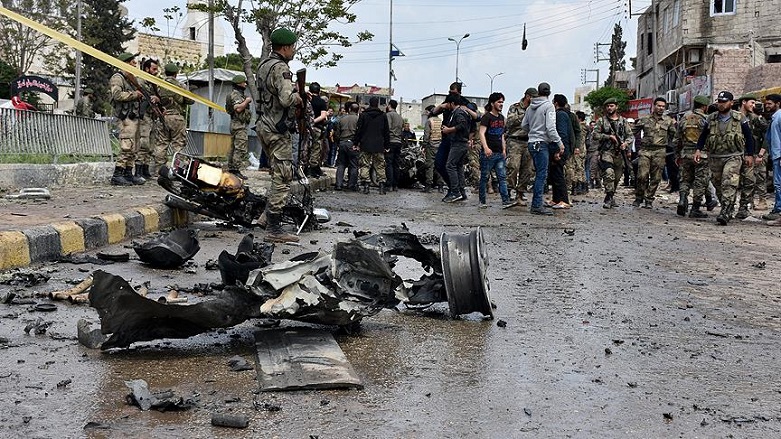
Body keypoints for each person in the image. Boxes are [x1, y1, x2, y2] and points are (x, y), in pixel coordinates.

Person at [256, 28, 302, 243]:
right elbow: (286, 99)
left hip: (264, 126)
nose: (293, 51)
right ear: (285, 47)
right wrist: (298, 98)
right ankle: (274, 229)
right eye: (292, 47)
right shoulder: (281, 67)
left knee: (276, 173)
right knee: (283, 177)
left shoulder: (263, 65)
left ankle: (265, 217)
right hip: (277, 128)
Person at [694, 91, 755, 225]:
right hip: (715, 157)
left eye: (724, 102)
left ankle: (725, 212)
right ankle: (728, 206)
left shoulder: (740, 118)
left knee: (729, 183)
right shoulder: (711, 118)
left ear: (731, 103)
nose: (721, 104)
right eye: (719, 102)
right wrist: (698, 150)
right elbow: (703, 135)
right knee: (718, 184)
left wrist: (750, 155)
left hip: (733, 156)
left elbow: (749, 138)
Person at [521, 82, 564, 215]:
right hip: (541, 144)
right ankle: (536, 205)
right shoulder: (548, 106)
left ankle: (536, 203)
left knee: (539, 174)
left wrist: (533, 132)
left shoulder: (530, 107)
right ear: (549, 93)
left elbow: (524, 125)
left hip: (532, 143)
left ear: (538, 92)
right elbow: (551, 128)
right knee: (541, 175)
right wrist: (559, 143)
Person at [632, 97, 677, 209]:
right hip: (645, 150)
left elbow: (675, 136)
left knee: (656, 178)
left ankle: (649, 199)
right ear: (654, 106)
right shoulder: (645, 119)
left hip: (660, 151)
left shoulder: (668, 121)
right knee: (642, 175)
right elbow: (632, 131)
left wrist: (675, 149)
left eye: (663, 106)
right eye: (658, 105)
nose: (660, 108)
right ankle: (639, 196)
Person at [108, 52, 146, 186]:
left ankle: (128, 173)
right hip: (125, 118)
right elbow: (117, 95)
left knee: (134, 147)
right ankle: (117, 175)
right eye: (132, 62)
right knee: (126, 146)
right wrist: (135, 94)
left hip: (133, 116)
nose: (135, 64)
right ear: (126, 63)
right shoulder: (118, 78)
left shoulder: (130, 78)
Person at [591, 97, 633, 209]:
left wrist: (625, 144)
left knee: (617, 177)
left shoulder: (623, 121)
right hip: (606, 152)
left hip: (619, 153)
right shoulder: (601, 121)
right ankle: (609, 198)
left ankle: (610, 196)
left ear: (616, 107)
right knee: (609, 174)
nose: (609, 108)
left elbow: (630, 136)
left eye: (612, 106)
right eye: (608, 106)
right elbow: (595, 135)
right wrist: (608, 136)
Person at [477, 92, 516, 209]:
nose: (501, 104)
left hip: (499, 153)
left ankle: (505, 201)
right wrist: (486, 148)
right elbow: (481, 133)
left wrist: (504, 149)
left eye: (502, 102)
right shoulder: (486, 117)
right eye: (499, 102)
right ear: (492, 103)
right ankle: (482, 201)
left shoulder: (501, 118)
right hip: (488, 154)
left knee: (502, 178)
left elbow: (502, 135)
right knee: (484, 177)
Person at [152, 63, 193, 173]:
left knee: (161, 143)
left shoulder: (159, 85)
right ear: (176, 74)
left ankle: (159, 170)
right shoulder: (181, 86)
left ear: (165, 72)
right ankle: (178, 170)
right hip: (177, 118)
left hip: (162, 117)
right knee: (178, 145)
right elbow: (190, 100)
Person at [676, 95, 711, 218]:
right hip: (701, 154)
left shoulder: (684, 118)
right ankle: (695, 208)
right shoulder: (706, 119)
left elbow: (677, 138)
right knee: (700, 182)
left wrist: (677, 154)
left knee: (685, 179)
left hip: (685, 153)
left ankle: (682, 200)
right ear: (704, 106)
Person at [735, 94, 769, 218]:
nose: (753, 106)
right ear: (744, 102)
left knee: (753, 179)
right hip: (736, 153)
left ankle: (747, 205)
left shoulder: (755, 118)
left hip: (752, 153)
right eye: (752, 103)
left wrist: (761, 152)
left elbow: (767, 133)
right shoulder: (734, 117)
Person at [505, 88, 535, 204]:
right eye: (533, 97)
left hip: (528, 141)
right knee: (513, 166)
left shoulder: (535, 109)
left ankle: (520, 193)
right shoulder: (515, 107)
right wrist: (525, 116)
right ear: (527, 96)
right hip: (515, 141)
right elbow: (510, 122)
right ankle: (508, 191)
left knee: (527, 169)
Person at [354, 96, 390, 194]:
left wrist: (355, 143)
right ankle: (382, 186)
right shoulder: (383, 116)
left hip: (365, 144)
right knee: (380, 165)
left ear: (369, 103)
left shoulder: (363, 115)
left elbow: (359, 131)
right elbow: (386, 132)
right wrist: (387, 146)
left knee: (365, 165)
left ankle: (366, 186)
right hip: (379, 145)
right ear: (377, 104)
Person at [441, 94, 472, 203]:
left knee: (450, 165)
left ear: (452, 103)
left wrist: (449, 130)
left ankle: (455, 192)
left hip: (458, 143)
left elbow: (462, 125)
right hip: (462, 143)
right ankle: (461, 192)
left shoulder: (458, 113)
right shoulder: (462, 112)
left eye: (448, 104)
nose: (447, 106)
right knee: (458, 167)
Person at [136, 58, 160, 180]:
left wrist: (157, 99)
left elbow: (157, 97)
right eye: (153, 69)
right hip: (144, 115)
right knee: (143, 143)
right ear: (146, 69)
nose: (156, 72)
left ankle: (145, 169)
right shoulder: (141, 81)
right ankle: (138, 170)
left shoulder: (153, 83)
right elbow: (140, 97)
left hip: (152, 116)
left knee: (151, 145)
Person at [226, 74, 253, 179]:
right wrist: (247, 101)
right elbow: (238, 108)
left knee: (234, 148)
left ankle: (232, 169)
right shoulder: (236, 95)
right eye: (244, 82)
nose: (245, 84)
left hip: (235, 123)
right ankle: (235, 170)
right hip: (239, 124)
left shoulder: (232, 94)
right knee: (240, 148)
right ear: (239, 84)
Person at [762, 94, 781, 224]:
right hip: (775, 155)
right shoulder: (774, 118)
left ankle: (778, 211)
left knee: (779, 185)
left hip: (779, 155)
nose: (767, 106)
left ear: (778, 103)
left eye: (769, 103)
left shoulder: (779, 117)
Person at [551, 94, 572, 209]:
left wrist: (559, 150)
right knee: (554, 174)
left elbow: (562, 134)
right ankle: (556, 199)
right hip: (560, 148)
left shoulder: (560, 115)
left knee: (558, 175)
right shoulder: (562, 114)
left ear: (556, 103)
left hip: (561, 149)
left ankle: (564, 200)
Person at [334, 102, 360, 191]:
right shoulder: (358, 119)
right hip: (352, 144)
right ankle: (351, 185)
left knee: (341, 164)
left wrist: (339, 143)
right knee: (353, 165)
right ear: (358, 110)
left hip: (342, 143)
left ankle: (338, 184)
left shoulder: (342, 119)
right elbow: (360, 133)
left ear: (349, 109)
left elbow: (337, 133)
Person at [305, 82, 328, 178]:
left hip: (305, 128)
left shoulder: (306, 100)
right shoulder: (321, 102)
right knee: (316, 148)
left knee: (305, 148)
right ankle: (313, 168)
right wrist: (313, 121)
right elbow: (323, 115)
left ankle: (305, 167)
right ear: (319, 91)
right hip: (317, 128)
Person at [420, 105, 442, 193]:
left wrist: (424, 146)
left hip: (431, 146)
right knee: (439, 167)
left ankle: (428, 186)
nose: (426, 113)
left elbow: (426, 135)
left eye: (427, 112)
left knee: (429, 166)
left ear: (430, 112)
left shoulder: (429, 121)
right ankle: (440, 186)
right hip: (440, 146)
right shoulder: (440, 121)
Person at [385, 99, 404, 191]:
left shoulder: (388, 115)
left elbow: (387, 128)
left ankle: (390, 184)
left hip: (391, 141)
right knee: (396, 164)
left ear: (389, 105)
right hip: (398, 142)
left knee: (389, 164)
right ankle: (396, 185)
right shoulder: (400, 117)